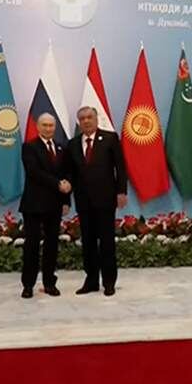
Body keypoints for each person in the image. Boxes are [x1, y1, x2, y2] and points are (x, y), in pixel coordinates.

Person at [63, 106, 127, 296]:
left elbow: (120, 167)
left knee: (107, 242)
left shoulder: (110, 138)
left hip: (106, 199)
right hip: (84, 201)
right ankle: (91, 281)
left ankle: (109, 282)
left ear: (96, 119)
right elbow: (69, 174)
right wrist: (66, 198)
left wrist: (121, 191)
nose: (86, 121)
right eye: (82, 118)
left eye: (89, 117)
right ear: (79, 122)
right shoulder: (73, 144)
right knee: (88, 243)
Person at [19, 113, 71, 299]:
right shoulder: (29, 147)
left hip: (54, 205)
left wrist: (66, 200)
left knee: (52, 245)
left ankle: (49, 283)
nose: (48, 128)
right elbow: (34, 172)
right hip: (34, 204)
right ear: (38, 127)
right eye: (45, 125)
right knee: (32, 245)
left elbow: (66, 174)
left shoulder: (61, 147)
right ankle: (28, 285)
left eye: (51, 125)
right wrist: (58, 184)